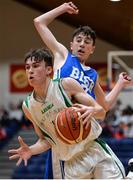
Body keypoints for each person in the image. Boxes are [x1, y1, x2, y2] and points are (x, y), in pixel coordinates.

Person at [33, 2, 133, 179]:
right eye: (78, 40)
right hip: (62, 135)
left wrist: (119, 84)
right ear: (71, 44)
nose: (82, 44)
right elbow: (39, 22)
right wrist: (63, 8)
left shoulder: (92, 76)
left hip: (84, 135)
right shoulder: (62, 55)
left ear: (92, 49)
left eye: (87, 42)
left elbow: (104, 106)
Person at [9, 48, 129, 179]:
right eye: (27, 67)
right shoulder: (28, 106)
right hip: (71, 165)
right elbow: (47, 140)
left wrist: (93, 110)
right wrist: (31, 150)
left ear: (49, 70)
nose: (30, 70)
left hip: (94, 151)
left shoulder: (65, 85)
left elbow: (101, 112)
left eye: (36, 66)